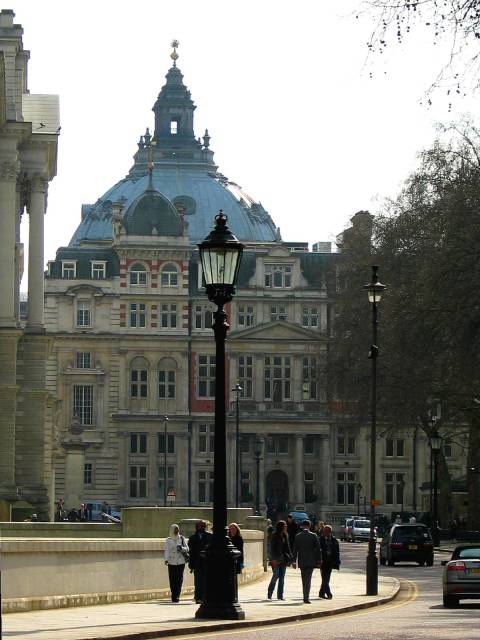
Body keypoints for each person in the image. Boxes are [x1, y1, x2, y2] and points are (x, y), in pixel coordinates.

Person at [292, 519, 320, 604]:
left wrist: (294, 561)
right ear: (309, 525)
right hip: (311, 560)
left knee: (304, 579)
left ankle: (305, 595)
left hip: (302, 560)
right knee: (308, 579)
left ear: (302, 526)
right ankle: (306, 597)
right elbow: (318, 549)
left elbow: (295, 550)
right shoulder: (314, 536)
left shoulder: (298, 536)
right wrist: (319, 560)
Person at [188, 520, 212, 603]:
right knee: (198, 581)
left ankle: (205, 597)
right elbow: (191, 552)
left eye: (202, 526)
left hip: (207, 562)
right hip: (197, 563)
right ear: (196, 527)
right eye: (199, 526)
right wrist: (191, 565)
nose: (200, 528)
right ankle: (198, 597)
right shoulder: (192, 538)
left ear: (205, 527)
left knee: (206, 580)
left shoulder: (210, 536)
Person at [267, 519, 292, 600]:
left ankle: (280, 596)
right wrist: (272, 559)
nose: (286, 527)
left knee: (282, 578)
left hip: (283, 559)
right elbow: (271, 548)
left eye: (286, 526)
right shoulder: (274, 536)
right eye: (285, 526)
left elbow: (288, 548)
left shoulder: (285, 536)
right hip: (276, 559)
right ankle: (270, 593)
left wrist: (291, 559)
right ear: (281, 527)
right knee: (276, 575)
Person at [164, 524, 189, 602]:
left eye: (177, 529)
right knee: (172, 579)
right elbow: (166, 550)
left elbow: (187, 549)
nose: (176, 531)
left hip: (180, 562)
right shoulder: (168, 540)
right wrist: (166, 559)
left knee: (179, 579)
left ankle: (177, 595)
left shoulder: (181, 538)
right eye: (175, 529)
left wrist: (182, 548)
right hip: (172, 562)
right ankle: (173, 594)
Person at [318, 524, 340, 599]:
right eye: (324, 531)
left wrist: (337, 561)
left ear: (330, 532)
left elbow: (337, 552)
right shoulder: (320, 540)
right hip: (322, 562)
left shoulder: (334, 541)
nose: (325, 533)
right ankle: (329, 594)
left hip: (330, 562)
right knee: (325, 579)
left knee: (327, 579)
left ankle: (321, 593)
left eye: (327, 531)